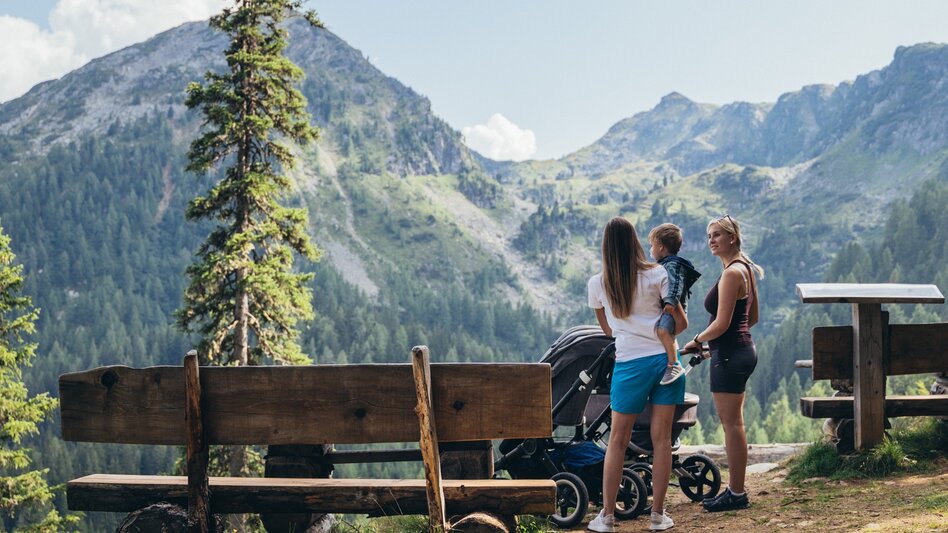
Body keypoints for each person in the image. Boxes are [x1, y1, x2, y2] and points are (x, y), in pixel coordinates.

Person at [586, 216, 684, 532]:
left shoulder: (598, 283)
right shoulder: (658, 274)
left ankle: (608, 517)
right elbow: (680, 323)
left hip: (630, 365)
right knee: (662, 439)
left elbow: (607, 330)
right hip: (666, 361)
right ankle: (658, 515)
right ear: (636, 242)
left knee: (617, 439)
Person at [682, 214, 763, 513]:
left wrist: (698, 340)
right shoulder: (745, 269)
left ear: (733, 237)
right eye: (709, 236)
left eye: (717, 234)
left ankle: (737, 493)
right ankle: (736, 490)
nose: (711, 240)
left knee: (732, 425)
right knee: (735, 424)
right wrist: (713, 347)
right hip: (739, 350)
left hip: (730, 355)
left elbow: (721, 323)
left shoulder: (731, 274)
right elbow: (750, 318)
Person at [648, 223, 702, 386]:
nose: (650, 250)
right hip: (667, 309)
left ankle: (673, 365)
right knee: (662, 332)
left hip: (671, 308)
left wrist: (670, 303)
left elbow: (675, 285)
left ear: (661, 247)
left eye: (652, 246)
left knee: (663, 331)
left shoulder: (673, 265)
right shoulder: (666, 264)